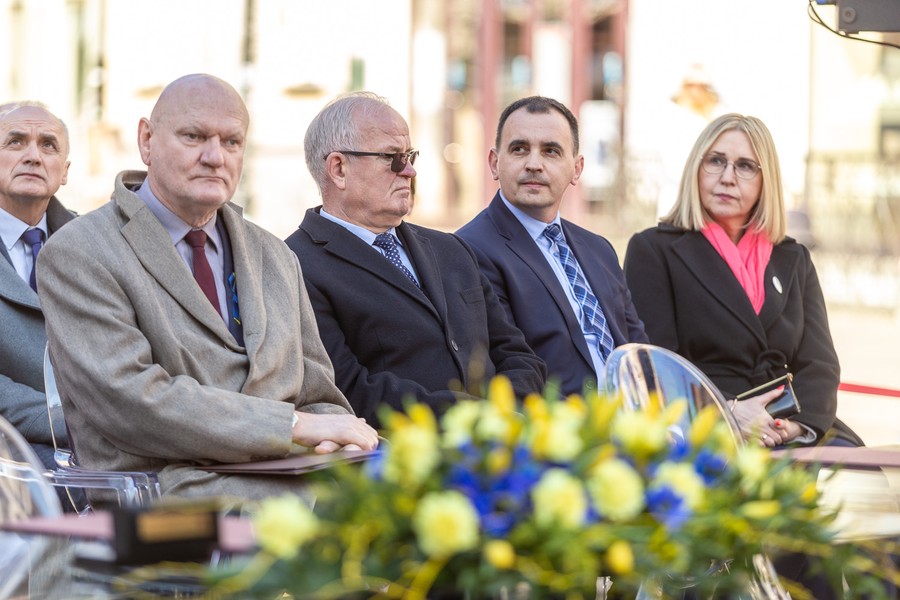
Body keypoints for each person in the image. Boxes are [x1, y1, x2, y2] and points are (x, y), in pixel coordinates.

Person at [37, 74, 378, 506]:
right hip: (163, 495)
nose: (215, 156)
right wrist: (291, 427)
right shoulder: (79, 253)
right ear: (146, 140)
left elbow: (319, 395)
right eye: (194, 136)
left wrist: (340, 440)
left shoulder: (274, 255)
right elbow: (134, 403)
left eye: (232, 142)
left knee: (417, 492)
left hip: (286, 480)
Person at [285, 92, 546, 427]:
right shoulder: (295, 264)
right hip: (399, 462)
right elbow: (346, 389)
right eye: (392, 158)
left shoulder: (452, 250)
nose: (409, 171)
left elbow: (516, 353)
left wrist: (509, 412)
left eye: (410, 156)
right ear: (338, 168)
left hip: (503, 448)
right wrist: (474, 418)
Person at [624, 113, 862, 449]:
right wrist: (729, 412)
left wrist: (794, 426)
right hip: (705, 424)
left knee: (859, 470)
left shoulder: (792, 258)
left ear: (767, 181)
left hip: (786, 420)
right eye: (716, 161)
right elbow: (657, 364)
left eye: (745, 166)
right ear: (696, 167)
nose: (727, 177)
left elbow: (819, 364)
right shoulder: (654, 249)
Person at [456, 96, 647, 397]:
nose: (534, 164)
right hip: (556, 431)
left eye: (551, 151)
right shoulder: (468, 250)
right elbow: (505, 368)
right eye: (519, 149)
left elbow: (639, 349)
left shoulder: (599, 249)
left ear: (577, 168)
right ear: (495, 163)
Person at [0, 101, 75, 472]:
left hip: (103, 437)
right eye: (15, 142)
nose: (33, 156)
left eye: (48, 145)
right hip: (13, 443)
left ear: (64, 172)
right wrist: (70, 422)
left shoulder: (99, 244)